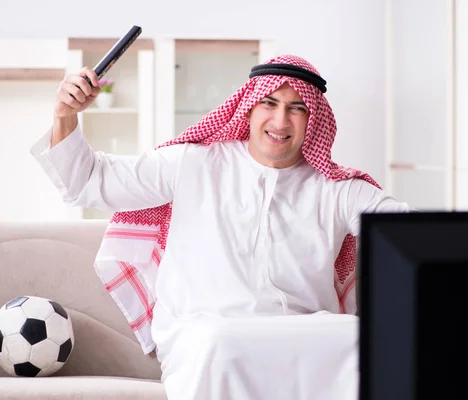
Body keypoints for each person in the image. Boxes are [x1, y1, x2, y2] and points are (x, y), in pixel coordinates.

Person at [31, 54, 412, 400]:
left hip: (305, 334)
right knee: (222, 343)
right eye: (270, 103)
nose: (280, 121)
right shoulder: (193, 164)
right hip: (205, 330)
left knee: (364, 338)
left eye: (296, 109)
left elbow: (410, 234)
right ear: (247, 108)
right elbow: (88, 180)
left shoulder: (335, 189)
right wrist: (66, 114)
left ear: (312, 120)